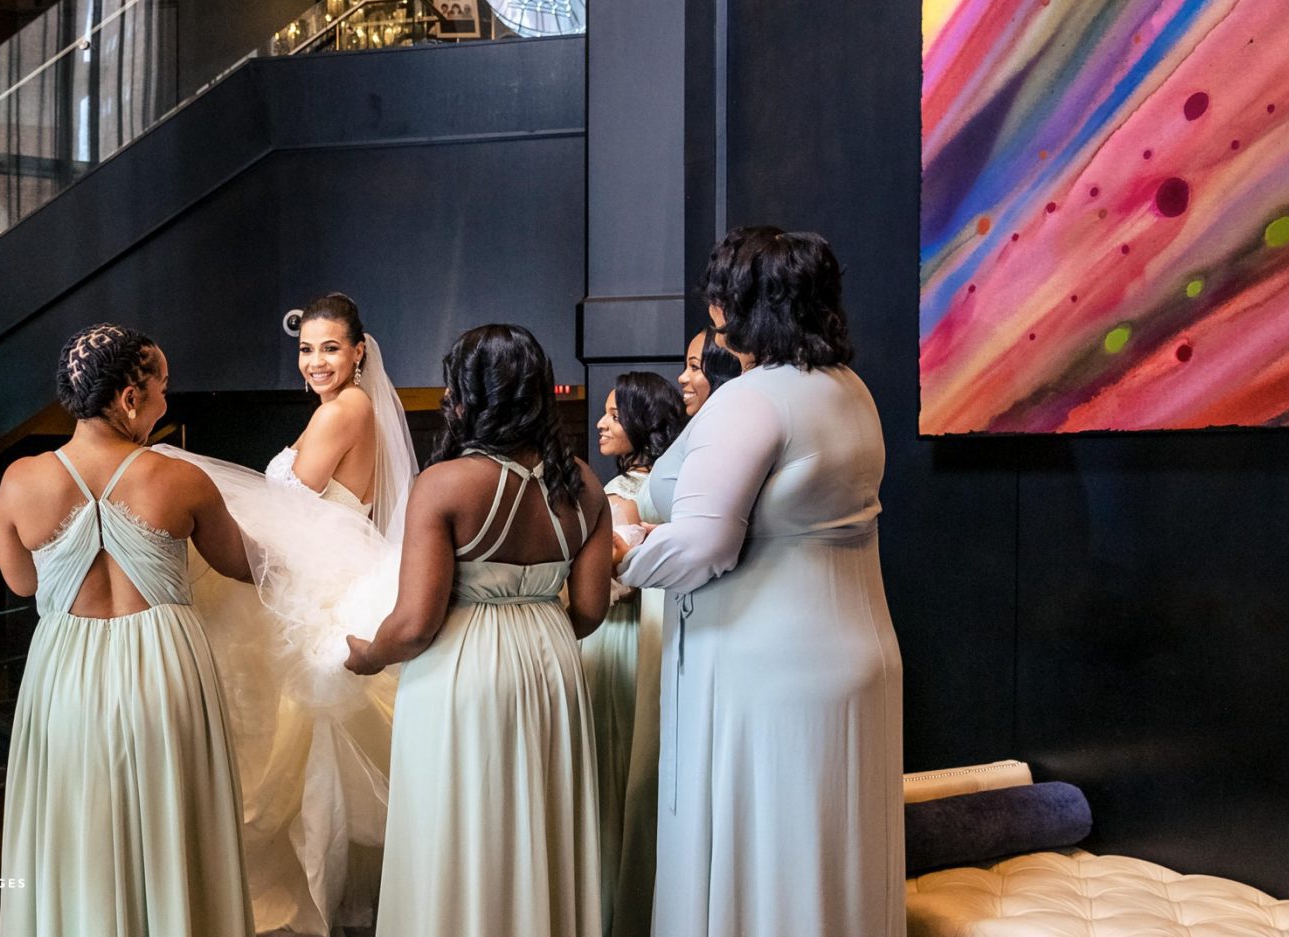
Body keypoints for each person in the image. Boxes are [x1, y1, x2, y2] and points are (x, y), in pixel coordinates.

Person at [620, 229, 905, 937]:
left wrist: (614, 555)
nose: (713, 309)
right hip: (855, 659)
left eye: (721, 295)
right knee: (830, 863)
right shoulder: (851, 389)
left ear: (744, 307)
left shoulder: (753, 399)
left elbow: (704, 545)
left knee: (768, 865)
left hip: (767, 669)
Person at [346, 322, 613, 937]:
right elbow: (592, 611)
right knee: (540, 826)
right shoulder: (584, 485)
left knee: (462, 826)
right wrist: (538, 629)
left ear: (465, 396)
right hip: (553, 668)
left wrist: (369, 656)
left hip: (463, 670)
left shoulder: (444, 484)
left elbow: (414, 624)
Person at [167, 293, 417, 935]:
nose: (316, 361)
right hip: (324, 564)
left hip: (318, 575)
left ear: (360, 351)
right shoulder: (338, 409)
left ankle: (276, 886)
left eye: (331, 348)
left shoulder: (348, 408)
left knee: (276, 727)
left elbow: (293, 505)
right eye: (306, 349)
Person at [0, 326, 255, 937]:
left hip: (66, 675)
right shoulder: (179, 480)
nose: (169, 399)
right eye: (164, 386)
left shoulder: (20, 480)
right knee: (170, 822)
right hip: (163, 669)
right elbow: (244, 565)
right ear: (131, 398)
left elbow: (23, 585)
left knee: (74, 822)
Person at [582, 372, 687, 937]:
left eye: (616, 415)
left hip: (618, 643)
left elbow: (615, 579)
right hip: (661, 642)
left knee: (611, 782)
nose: (602, 422)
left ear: (645, 423)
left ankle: (610, 912)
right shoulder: (677, 486)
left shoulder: (621, 494)